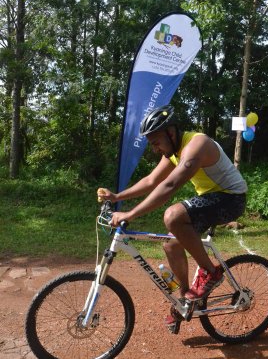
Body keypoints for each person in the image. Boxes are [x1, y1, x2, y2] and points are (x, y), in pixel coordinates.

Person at [97, 105, 247, 325]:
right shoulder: (173, 152)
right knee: (171, 245)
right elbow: (151, 181)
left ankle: (211, 272)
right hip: (212, 198)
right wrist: (117, 196)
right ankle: (185, 301)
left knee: (173, 216)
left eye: (156, 142)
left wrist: (131, 213)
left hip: (232, 198)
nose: (155, 149)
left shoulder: (197, 144)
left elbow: (170, 185)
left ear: (171, 132)